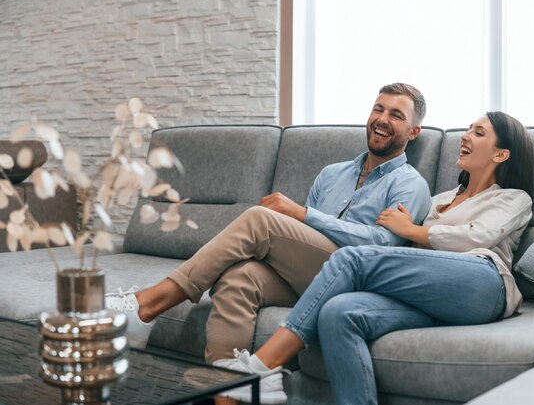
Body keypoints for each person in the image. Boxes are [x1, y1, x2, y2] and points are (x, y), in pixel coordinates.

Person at [106, 83, 432, 401]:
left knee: (259, 219)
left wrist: (303, 214)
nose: (383, 119)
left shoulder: (409, 184)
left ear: (414, 132)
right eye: (379, 109)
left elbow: (382, 246)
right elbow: (303, 241)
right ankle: (227, 394)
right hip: (313, 278)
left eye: (396, 115)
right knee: (238, 277)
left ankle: (147, 304)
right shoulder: (333, 173)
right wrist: (301, 220)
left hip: (354, 279)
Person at [212, 111, 534, 405]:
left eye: (478, 133)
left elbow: (476, 237)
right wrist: (410, 234)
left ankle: (261, 368)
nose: (465, 136)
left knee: (352, 259)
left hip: (482, 283)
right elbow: (414, 258)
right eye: (467, 129)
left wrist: (411, 230)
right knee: (338, 312)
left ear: (500, 154)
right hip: (432, 297)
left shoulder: (512, 198)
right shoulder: (441, 200)